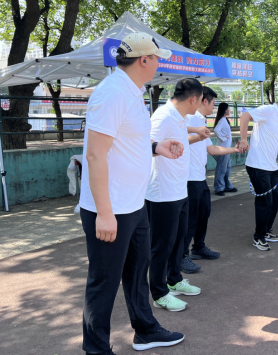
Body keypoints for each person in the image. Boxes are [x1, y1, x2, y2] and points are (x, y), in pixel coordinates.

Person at [79, 32, 185, 353]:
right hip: (111, 208)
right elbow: (95, 155)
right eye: (157, 58)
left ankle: (145, 329)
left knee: (138, 270)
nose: (159, 64)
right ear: (144, 60)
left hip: (133, 205)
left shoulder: (132, 91)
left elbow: (126, 140)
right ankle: (96, 349)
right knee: (104, 281)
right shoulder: (112, 93)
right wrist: (105, 212)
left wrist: (157, 146)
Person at [146, 78, 204, 313]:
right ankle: (159, 293)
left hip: (179, 190)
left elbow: (178, 140)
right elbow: (147, 144)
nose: (200, 105)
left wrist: (197, 133)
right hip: (162, 193)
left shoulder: (180, 118)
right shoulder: (163, 116)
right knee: (162, 245)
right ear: (193, 99)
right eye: (201, 100)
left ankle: (174, 279)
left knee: (179, 240)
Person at [182, 87, 241, 270]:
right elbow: (179, 138)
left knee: (204, 213)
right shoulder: (190, 119)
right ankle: (182, 255)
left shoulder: (200, 121)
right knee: (191, 218)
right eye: (213, 103)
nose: (214, 107)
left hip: (200, 177)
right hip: (189, 178)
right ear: (204, 101)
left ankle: (198, 247)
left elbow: (212, 149)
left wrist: (235, 149)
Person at [239, 91, 278, 251]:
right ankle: (258, 237)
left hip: (271, 166)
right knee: (265, 201)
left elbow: (269, 142)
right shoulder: (268, 109)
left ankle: (266, 231)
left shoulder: (277, 117)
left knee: (275, 199)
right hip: (258, 165)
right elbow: (245, 116)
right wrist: (244, 139)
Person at [213, 102, 238, 196]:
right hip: (222, 149)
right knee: (221, 169)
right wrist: (223, 138)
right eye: (228, 108)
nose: (229, 110)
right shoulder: (222, 120)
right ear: (224, 110)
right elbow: (216, 130)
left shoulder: (224, 119)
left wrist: (224, 137)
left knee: (227, 168)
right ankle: (219, 188)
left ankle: (227, 186)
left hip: (226, 149)